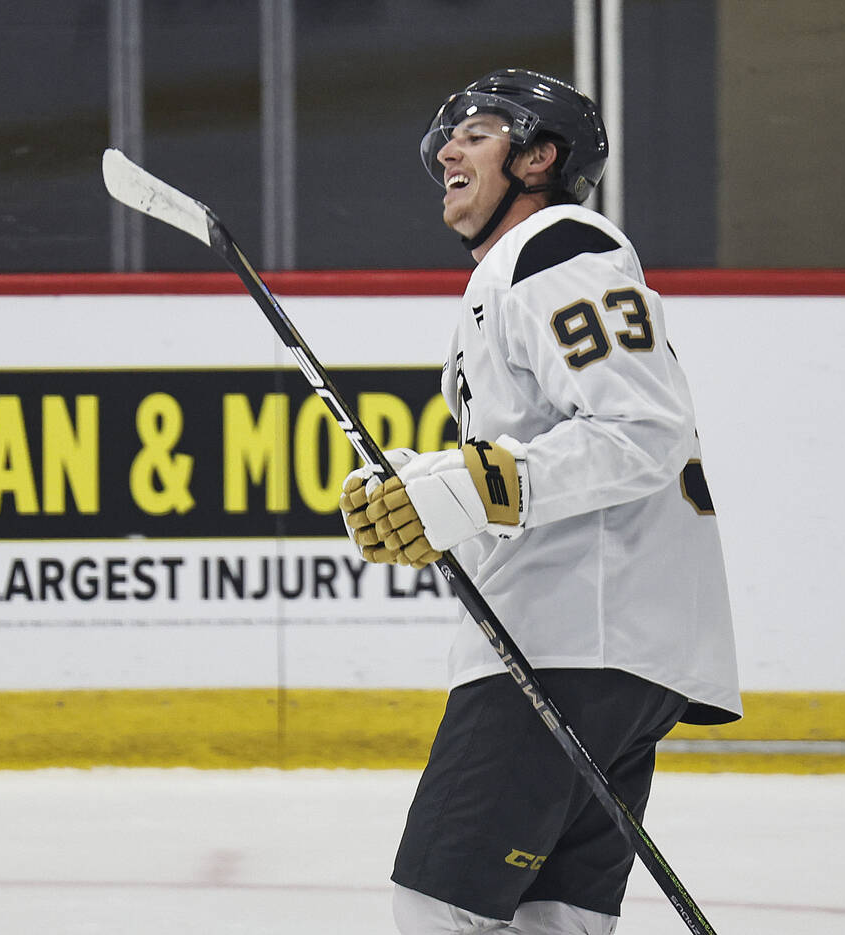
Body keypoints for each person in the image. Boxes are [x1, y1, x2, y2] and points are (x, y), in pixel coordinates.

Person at [339, 68, 741, 935]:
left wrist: (468, 485)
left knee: (438, 903)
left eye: (477, 132)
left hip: (570, 631)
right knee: (552, 918)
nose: (446, 148)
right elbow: (542, 446)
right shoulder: (521, 278)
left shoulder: (559, 247)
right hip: (615, 641)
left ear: (540, 157)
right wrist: (427, 483)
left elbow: (640, 428)